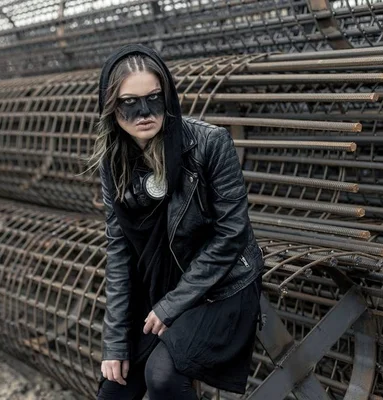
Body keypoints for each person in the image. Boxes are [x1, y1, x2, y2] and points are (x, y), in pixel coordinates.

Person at [88, 44, 264, 400]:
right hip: (159, 285)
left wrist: (173, 305)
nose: (143, 112)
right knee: (115, 389)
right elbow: (120, 251)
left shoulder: (210, 143)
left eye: (154, 98)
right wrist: (115, 341)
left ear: (167, 96)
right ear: (110, 108)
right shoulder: (114, 161)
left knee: (163, 376)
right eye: (128, 102)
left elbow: (232, 233)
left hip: (221, 285)